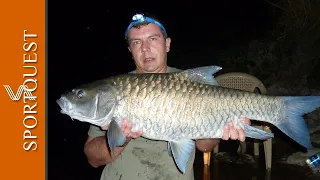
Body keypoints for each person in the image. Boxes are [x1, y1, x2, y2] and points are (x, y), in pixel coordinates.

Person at [84, 13, 251, 180]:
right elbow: (93, 159)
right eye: (136, 42)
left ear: (167, 44)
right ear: (130, 50)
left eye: (153, 39)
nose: (145, 48)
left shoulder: (191, 82)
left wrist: (220, 126)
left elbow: (205, 146)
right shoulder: (115, 88)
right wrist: (122, 138)